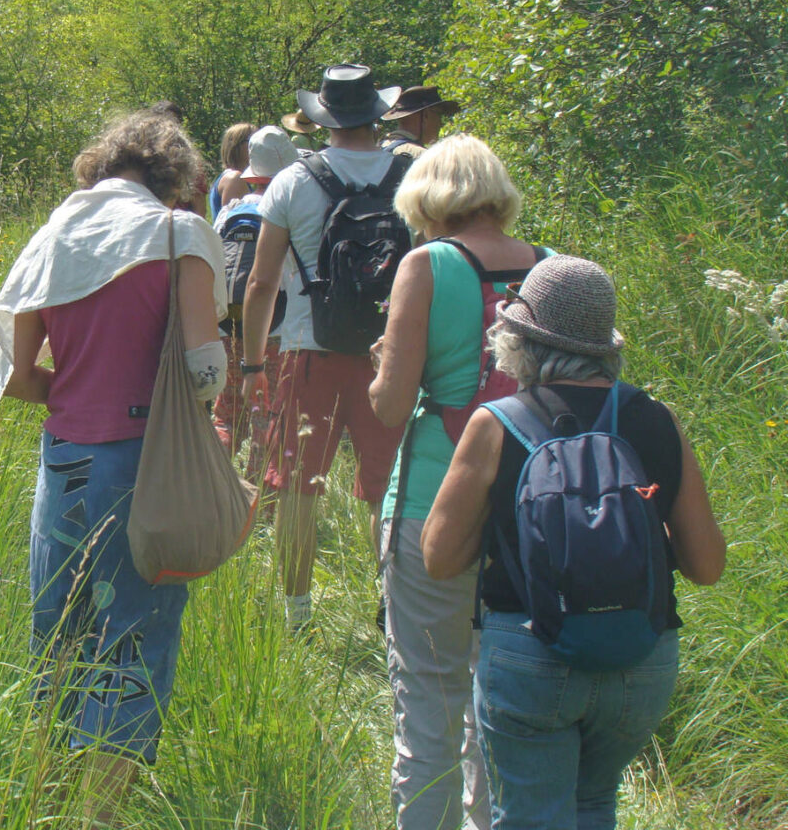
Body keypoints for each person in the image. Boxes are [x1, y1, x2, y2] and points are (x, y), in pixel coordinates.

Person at [420, 255, 725, 830]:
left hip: (530, 651)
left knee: (533, 816)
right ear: (605, 345)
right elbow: (707, 566)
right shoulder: (657, 419)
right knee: (593, 807)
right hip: (641, 656)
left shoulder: (496, 422)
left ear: (518, 340)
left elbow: (438, 558)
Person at [0, 110, 227, 824]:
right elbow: (205, 368)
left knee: (56, 627)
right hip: (145, 460)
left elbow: (19, 378)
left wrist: (81, 392)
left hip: (63, 459)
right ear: (172, 175)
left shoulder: (54, 234)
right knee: (134, 630)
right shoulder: (177, 234)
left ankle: (45, 793)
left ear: (101, 166)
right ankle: (101, 815)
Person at [368, 135, 542, 830]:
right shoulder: (552, 269)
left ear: (427, 198)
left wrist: (384, 358)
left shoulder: (426, 265)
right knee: (495, 697)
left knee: (428, 705)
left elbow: (387, 406)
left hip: (430, 504)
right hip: (527, 508)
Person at [240, 65, 407, 635]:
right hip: (391, 355)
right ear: (377, 115)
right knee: (389, 487)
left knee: (299, 488)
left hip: (308, 352)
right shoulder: (412, 176)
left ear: (323, 119)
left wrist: (253, 363)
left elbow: (261, 284)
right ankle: (396, 605)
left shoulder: (292, 182)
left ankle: (297, 613)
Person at [212, 125, 300, 464]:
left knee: (226, 417)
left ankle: (216, 496)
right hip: (272, 331)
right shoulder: (286, 212)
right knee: (266, 417)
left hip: (228, 326)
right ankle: (258, 506)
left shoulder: (229, 210)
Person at [380, 86, 461, 159]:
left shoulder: (378, 147)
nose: (441, 124)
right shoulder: (424, 157)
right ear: (426, 115)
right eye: (438, 115)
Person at [209, 122, 254, 219]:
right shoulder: (234, 179)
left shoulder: (236, 177)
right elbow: (234, 225)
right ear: (236, 145)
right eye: (252, 140)